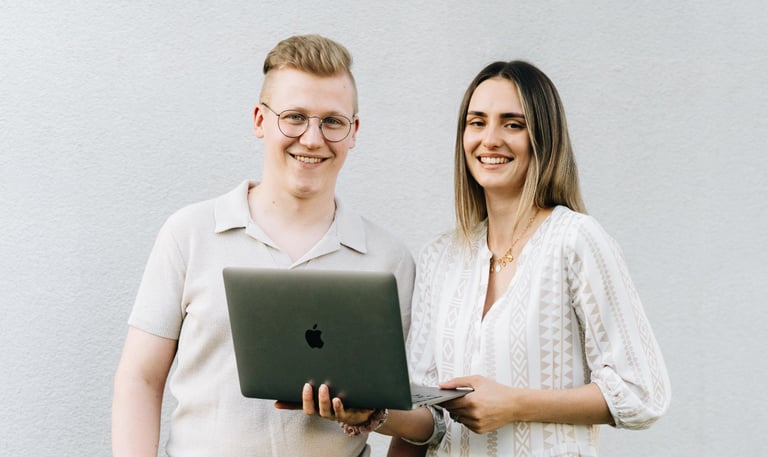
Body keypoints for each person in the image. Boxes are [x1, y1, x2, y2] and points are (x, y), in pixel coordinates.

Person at [305, 61, 671, 457]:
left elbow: (642, 393)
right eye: (477, 122)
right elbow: (432, 422)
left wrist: (514, 404)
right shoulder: (441, 256)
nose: (490, 139)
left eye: (512, 124)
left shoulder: (577, 241)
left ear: (542, 138)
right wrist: (369, 413)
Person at [111, 34, 415, 457]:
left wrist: (369, 415)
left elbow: (412, 412)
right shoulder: (190, 232)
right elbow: (140, 379)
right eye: (294, 117)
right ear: (259, 120)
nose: (312, 138)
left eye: (332, 121)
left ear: (353, 132)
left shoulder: (391, 260)